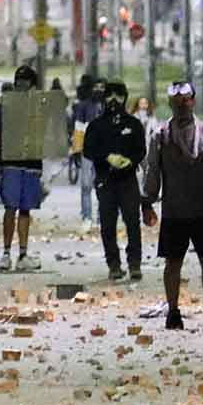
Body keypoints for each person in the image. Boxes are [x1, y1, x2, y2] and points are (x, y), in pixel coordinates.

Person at [141, 81, 203, 331]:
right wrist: (147, 202)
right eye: (178, 102)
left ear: (193, 101)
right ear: (171, 104)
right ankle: (173, 311)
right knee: (173, 262)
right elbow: (153, 171)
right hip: (176, 209)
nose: (183, 105)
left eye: (186, 100)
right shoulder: (161, 135)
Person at [83, 80, 147, 282]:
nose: (113, 100)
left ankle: (134, 263)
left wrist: (131, 160)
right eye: (109, 96)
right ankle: (114, 264)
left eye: (118, 96)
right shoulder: (96, 125)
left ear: (125, 98)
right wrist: (106, 157)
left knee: (132, 222)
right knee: (107, 224)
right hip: (105, 180)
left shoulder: (133, 124)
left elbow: (141, 149)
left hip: (128, 179)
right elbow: (88, 150)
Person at [0, 65, 45, 272]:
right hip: (12, 161)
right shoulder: (6, 103)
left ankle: (22, 254)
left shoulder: (40, 104)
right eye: (19, 82)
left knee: (24, 209)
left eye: (26, 82)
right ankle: (7, 254)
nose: (22, 86)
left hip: (32, 163)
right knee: (11, 208)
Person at [72, 77, 106, 224]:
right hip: (87, 149)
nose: (98, 90)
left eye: (102, 87)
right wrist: (77, 150)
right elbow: (78, 129)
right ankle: (87, 216)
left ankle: (102, 215)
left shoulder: (109, 106)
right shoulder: (83, 106)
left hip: (105, 151)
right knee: (86, 184)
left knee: (103, 184)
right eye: (96, 87)